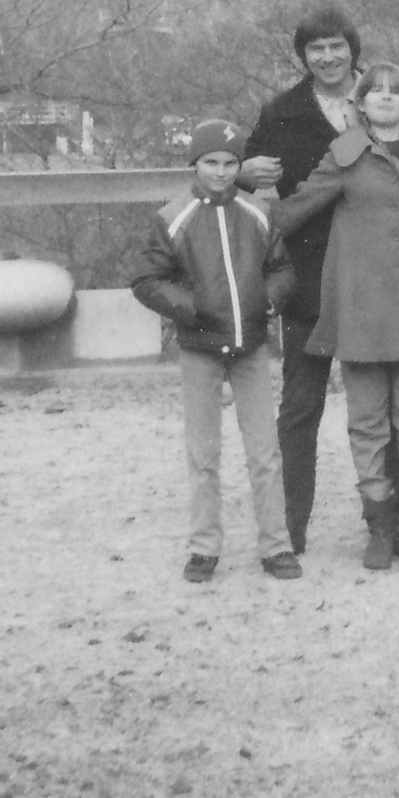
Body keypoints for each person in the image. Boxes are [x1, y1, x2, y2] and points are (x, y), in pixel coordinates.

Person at [270, 62, 399, 571]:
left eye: (396, 92)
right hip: (361, 310)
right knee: (366, 423)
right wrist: (235, 230)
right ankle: (380, 528)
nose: (385, 98)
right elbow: (293, 210)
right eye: (376, 91)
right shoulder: (343, 156)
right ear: (361, 102)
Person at [237, 8, 399, 556]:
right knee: (301, 405)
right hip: (309, 274)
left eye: (336, 46)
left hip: (379, 270)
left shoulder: (383, 96)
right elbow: (247, 176)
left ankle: (390, 522)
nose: (328, 58)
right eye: (316, 49)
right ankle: (289, 527)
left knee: (385, 405)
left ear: (353, 48)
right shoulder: (282, 112)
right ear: (303, 57)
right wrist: (244, 173)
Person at [130, 117, 300, 583]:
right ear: (195, 164)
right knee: (203, 455)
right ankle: (204, 547)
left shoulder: (258, 212)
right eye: (211, 162)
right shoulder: (172, 217)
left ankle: (276, 545)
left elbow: (282, 269)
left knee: (264, 452)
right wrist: (193, 308)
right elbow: (146, 280)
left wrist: (266, 299)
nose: (221, 172)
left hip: (250, 345)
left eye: (229, 163)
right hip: (199, 346)